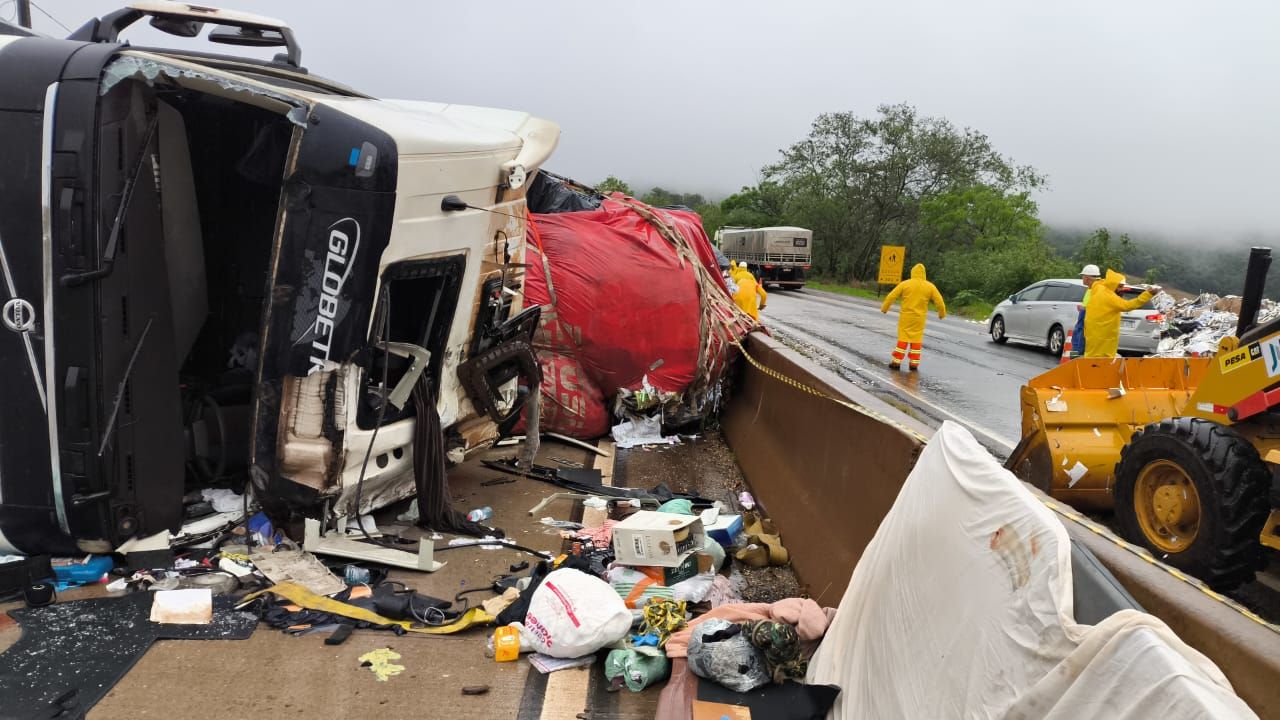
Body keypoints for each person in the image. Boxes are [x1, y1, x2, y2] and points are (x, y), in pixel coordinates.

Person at [880, 263, 946, 371]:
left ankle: (896, 361)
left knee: (903, 338)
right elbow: (939, 301)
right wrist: (942, 314)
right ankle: (914, 363)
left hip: (906, 317)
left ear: (913, 273)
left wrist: (884, 308)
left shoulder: (905, 284)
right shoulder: (930, 286)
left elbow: (891, 296)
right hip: (919, 319)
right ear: (924, 273)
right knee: (916, 340)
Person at [1082, 269, 1158, 358]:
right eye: (1120, 286)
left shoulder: (1099, 288)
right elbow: (1128, 306)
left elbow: (1097, 282)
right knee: (1100, 360)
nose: (1122, 289)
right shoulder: (1110, 297)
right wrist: (1148, 294)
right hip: (1104, 337)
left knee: (1091, 356)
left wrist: (1101, 279)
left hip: (1092, 333)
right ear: (1113, 284)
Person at [1072, 264, 1101, 357]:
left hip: (1086, 318)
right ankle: (1074, 357)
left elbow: (1097, 305)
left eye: (1083, 276)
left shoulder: (1096, 289)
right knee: (1077, 337)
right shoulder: (1091, 288)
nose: (1082, 278)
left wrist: (1084, 308)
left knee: (1080, 339)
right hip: (1083, 317)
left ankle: (1076, 358)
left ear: (1088, 278)